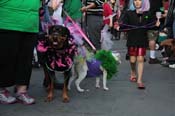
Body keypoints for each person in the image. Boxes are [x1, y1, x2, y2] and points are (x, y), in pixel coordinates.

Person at [0, 0, 40, 104]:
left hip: (30, 24)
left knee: (26, 59)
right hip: (8, 22)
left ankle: (22, 91)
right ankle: (1, 90)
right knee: (6, 58)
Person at [117, 0, 160, 89]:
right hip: (132, 40)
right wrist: (119, 26)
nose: (137, 2)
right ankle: (133, 71)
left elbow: (151, 26)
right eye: (135, 0)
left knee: (140, 59)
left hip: (142, 40)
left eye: (139, 0)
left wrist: (157, 24)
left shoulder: (147, 13)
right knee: (132, 60)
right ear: (133, 2)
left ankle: (139, 80)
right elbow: (124, 25)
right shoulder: (129, 13)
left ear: (143, 2)